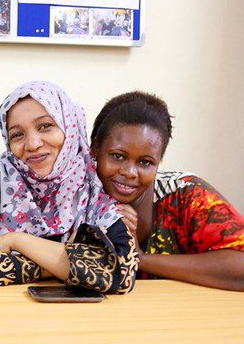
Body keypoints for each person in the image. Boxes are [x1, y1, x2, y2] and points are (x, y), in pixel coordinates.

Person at [0, 81, 139, 293]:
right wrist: (65, 263)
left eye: (45, 126)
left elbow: (122, 274)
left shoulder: (93, 190)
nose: (33, 144)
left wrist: (16, 241)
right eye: (17, 134)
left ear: (69, 127)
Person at [91, 91, 244, 291]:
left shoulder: (186, 195)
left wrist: (139, 258)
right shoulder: (70, 198)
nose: (130, 172)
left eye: (146, 162)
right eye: (118, 156)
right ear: (95, 148)